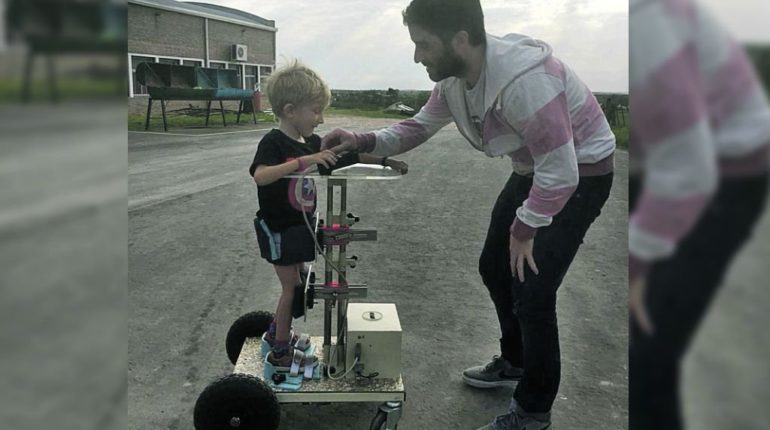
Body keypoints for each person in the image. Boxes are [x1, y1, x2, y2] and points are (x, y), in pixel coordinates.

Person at [321, 0, 615, 428]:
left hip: (582, 174)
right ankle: (515, 361)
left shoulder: (525, 82)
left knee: (533, 290)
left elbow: (562, 172)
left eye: (424, 44)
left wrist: (525, 227)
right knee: (494, 266)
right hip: (535, 169)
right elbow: (416, 127)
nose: (417, 56)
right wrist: (360, 139)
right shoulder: (454, 80)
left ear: (461, 39)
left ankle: (532, 412)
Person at [629, 0, 770, 428]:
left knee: (645, 351)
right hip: (686, 157)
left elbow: (689, 167)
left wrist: (638, 261)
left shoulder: (644, 24)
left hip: (727, 172)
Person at [248, 60, 408, 372]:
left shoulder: (309, 143)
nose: (321, 119)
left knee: (301, 284)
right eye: (316, 111)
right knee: (291, 289)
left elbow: (348, 156)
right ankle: (279, 351)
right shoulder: (273, 142)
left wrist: (386, 161)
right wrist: (305, 161)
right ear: (291, 110)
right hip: (278, 229)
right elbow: (261, 176)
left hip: (299, 227)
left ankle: (276, 332)